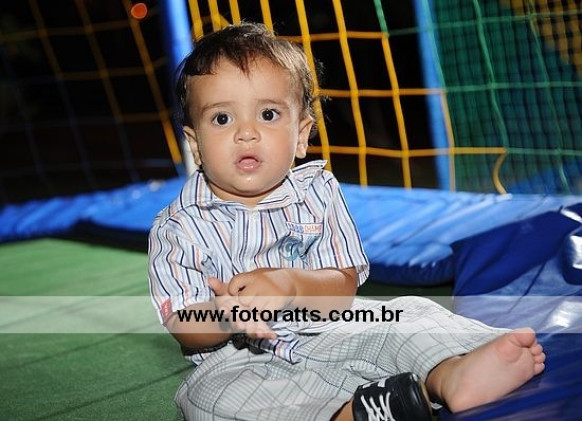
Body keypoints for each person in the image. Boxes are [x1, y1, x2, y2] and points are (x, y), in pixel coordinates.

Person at [148, 22, 546, 421]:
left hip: (335, 329)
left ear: (301, 135)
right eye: (222, 119)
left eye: (268, 114)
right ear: (195, 144)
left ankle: (450, 375)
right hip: (240, 360)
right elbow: (182, 322)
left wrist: (291, 284)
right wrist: (225, 316)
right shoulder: (177, 227)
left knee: (406, 315)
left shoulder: (317, 192)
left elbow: (342, 287)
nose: (246, 133)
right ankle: (357, 413)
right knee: (207, 398)